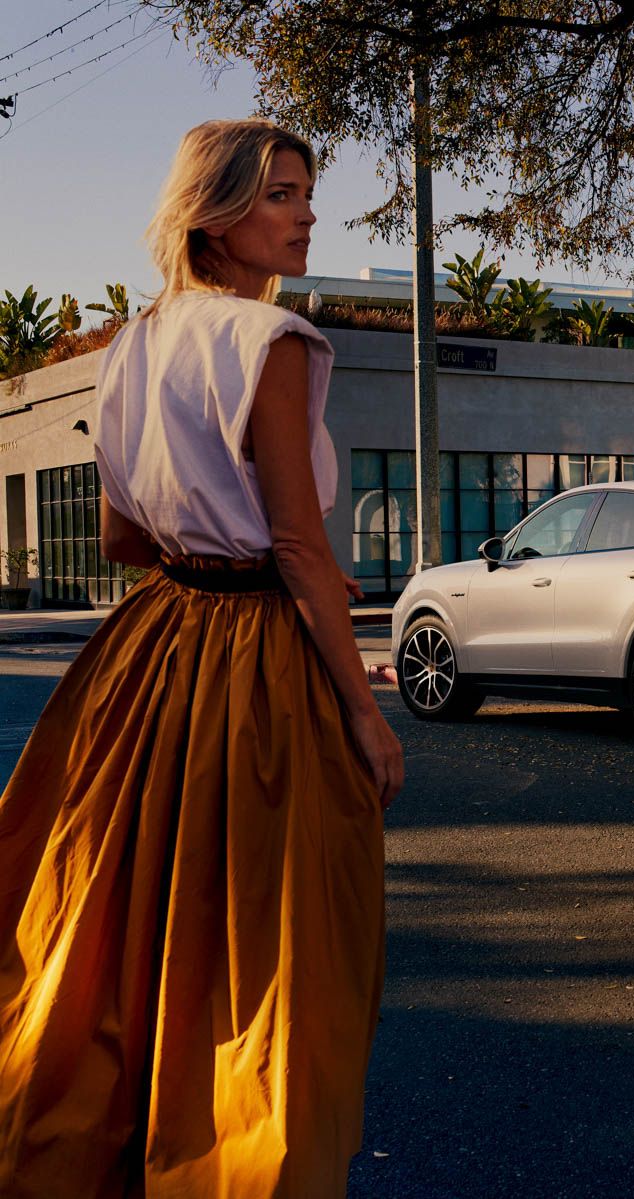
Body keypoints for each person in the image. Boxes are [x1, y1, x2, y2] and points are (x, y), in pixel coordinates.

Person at [0, 118, 403, 1197]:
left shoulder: (132, 343)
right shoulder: (271, 344)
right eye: (280, 194)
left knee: (119, 924)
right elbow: (299, 545)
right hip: (256, 662)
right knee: (268, 949)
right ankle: (235, 1163)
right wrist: (366, 715)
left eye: (306, 192)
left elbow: (124, 540)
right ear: (213, 216)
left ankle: (100, 1148)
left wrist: (207, 528)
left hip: (153, 647)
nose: (305, 212)